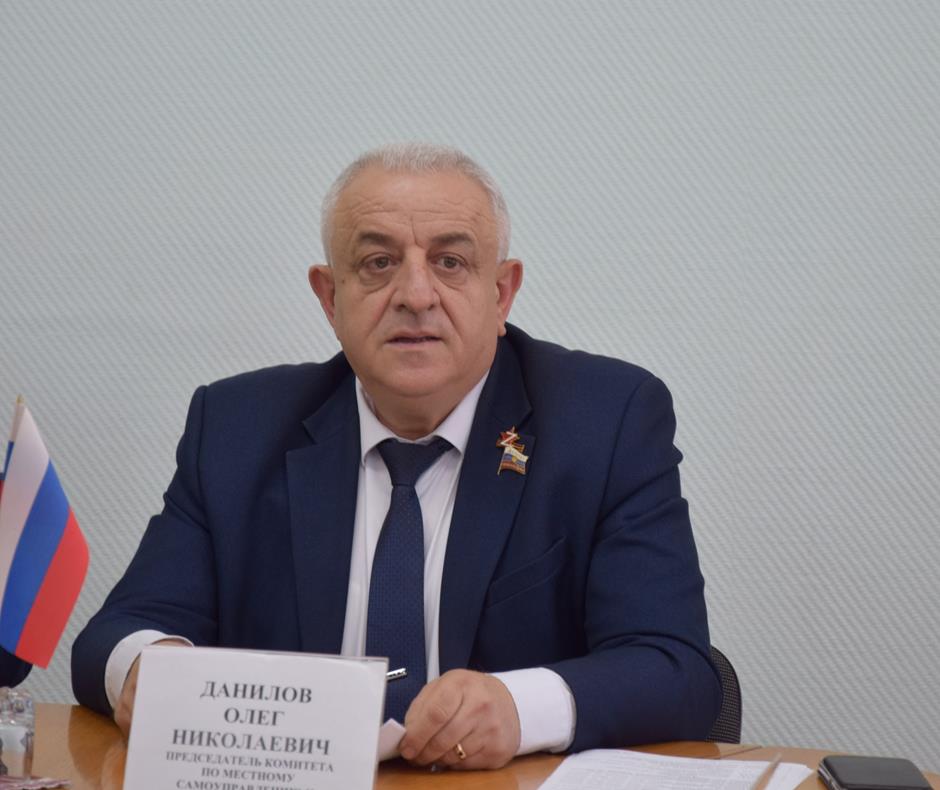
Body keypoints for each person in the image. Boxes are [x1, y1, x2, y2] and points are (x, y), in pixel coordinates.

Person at [72, 143, 720, 769]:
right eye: (378, 263)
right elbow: (116, 634)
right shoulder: (238, 428)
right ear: (330, 298)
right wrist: (149, 668)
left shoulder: (605, 422)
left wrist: (518, 707)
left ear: (502, 293)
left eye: (450, 262)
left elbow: (676, 670)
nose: (415, 294)